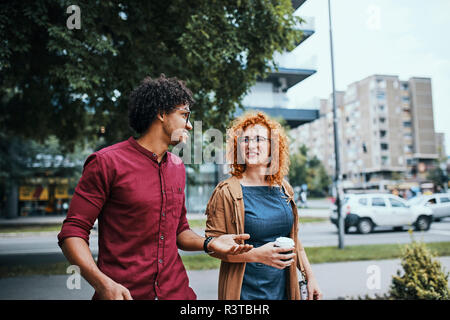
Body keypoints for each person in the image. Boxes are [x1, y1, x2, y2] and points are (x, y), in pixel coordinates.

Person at [57, 75, 252, 300]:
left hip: (178, 294)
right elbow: (72, 232)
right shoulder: (106, 162)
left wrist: (211, 243)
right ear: (161, 113)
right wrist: (103, 284)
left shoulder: (177, 167)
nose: (189, 124)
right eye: (184, 114)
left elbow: (180, 231)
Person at [205, 112, 322, 300]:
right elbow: (213, 246)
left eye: (258, 139)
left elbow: (294, 239)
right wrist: (257, 254)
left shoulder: (284, 188)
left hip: (284, 290)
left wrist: (310, 277)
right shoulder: (226, 191)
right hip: (245, 294)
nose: (251, 145)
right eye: (245, 140)